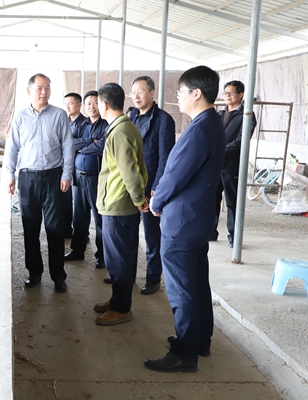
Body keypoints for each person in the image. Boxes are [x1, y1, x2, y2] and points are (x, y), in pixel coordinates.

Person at [145, 66, 225, 373]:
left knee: (182, 290)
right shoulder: (210, 122)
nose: (177, 97)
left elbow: (176, 174)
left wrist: (157, 201)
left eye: (180, 91)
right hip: (196, 219)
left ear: (196, 93)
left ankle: (185, 353)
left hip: (183, 221)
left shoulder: (200, 129)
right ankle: (200, 339)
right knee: (196, 282)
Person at [6, 73, 74, 293]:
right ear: (29, 91)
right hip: (28, 179)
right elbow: (12, 147)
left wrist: (66, 174)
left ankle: (58, 276)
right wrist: (10, 175)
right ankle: (34, 272)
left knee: (55, 229)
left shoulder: (59, 115)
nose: (44, 92)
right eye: (39, 88)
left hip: (54, 178)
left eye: (47, 88)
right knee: (30, 227)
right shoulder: (20, 117)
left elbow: (68, 146)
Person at [93, 82, 148, 326]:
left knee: (119, 260)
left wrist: (138, 199)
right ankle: (117, 299)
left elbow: (130, 171)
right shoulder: (124, 127)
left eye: (97, 103)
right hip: (118, 203)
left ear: (104, 105)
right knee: (119, 257)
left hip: (118, 204)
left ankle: (122, 308)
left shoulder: (120, 131)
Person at [129, 76, 176, 295]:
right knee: (128, 232)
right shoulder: (131, 116)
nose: (136, 96)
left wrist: (157, 187)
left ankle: (153, 278)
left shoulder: (163, 120)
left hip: (150, 187)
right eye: (133, 92)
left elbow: (166, 158)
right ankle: (127, 274)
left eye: (140, 91)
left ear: (152, 93)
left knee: (151, 235)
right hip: (131, 185)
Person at [64, 90, 109, 271]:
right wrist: (91, 141)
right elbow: (70, 144)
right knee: (79, 218)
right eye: (89, 103)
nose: (92, 106)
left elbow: (103, 146)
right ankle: (77, 251)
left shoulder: (105, 124)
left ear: (102, 104)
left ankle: (102, 256)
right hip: (78, 177)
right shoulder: (81, 124)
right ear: (84, 106)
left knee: (100, 219)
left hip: (95, 178)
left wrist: (83, 147)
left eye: (95, 102)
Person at [213, 80, 257, 248]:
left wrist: (220, 151)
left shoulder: (247, 115)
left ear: (241, 95)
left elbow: (241, 140)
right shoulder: (219, 114)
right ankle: (211, 231)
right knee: (212, 200)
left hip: (232, 166)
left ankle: (234, 235)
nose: (227, 96)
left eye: (231, 93)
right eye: (225, 93)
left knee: (232, 202)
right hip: (215, 165)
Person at [63, 93, 87, 239]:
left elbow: (84, 143)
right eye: (66, 104)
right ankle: (66, 229)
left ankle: (82, 234)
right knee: (65, 200)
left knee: (79, 204)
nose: (67, 106)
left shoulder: (85, 123)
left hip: (79, 167)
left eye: (70, 103)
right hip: (65, 166)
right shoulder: (64, 121)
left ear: (79, 105)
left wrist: (69, 145)